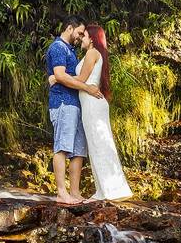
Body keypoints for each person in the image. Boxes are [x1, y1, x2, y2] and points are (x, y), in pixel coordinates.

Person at [49, 24, 133, 201]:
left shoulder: (91, 53)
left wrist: (56, 77)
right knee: (97, 145)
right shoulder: (91, 53)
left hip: (92, 104)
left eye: (84, 35)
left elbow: (80, 79)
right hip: (89, 104)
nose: (82, 39)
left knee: (99, 144)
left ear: (92, 39)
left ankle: (111, 190)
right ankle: (106, 190)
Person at [45, 16, 103, 204]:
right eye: (79, 32)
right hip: (63, 103)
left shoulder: (70, 50)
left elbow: (66, 76)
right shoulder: (58, 48)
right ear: (69, 28)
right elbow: (61, 76)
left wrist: (60, 78)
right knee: (62, 146)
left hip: (77, 105)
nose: (79, 37)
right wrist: (86, 88)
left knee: (78, 151)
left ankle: (75, 192)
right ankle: (62, 193)